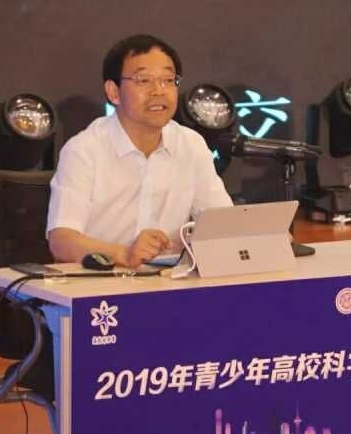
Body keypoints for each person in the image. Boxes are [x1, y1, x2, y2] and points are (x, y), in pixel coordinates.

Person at [47, 34, 232, 267]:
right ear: (114, 92)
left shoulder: (191, 145)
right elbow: (62, 242)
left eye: (168, 80)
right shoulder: (84, 150)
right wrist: (124, 254)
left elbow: (223, 224)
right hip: (100, 281)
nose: (158, 91)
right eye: (143, 80)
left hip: (169, 280)